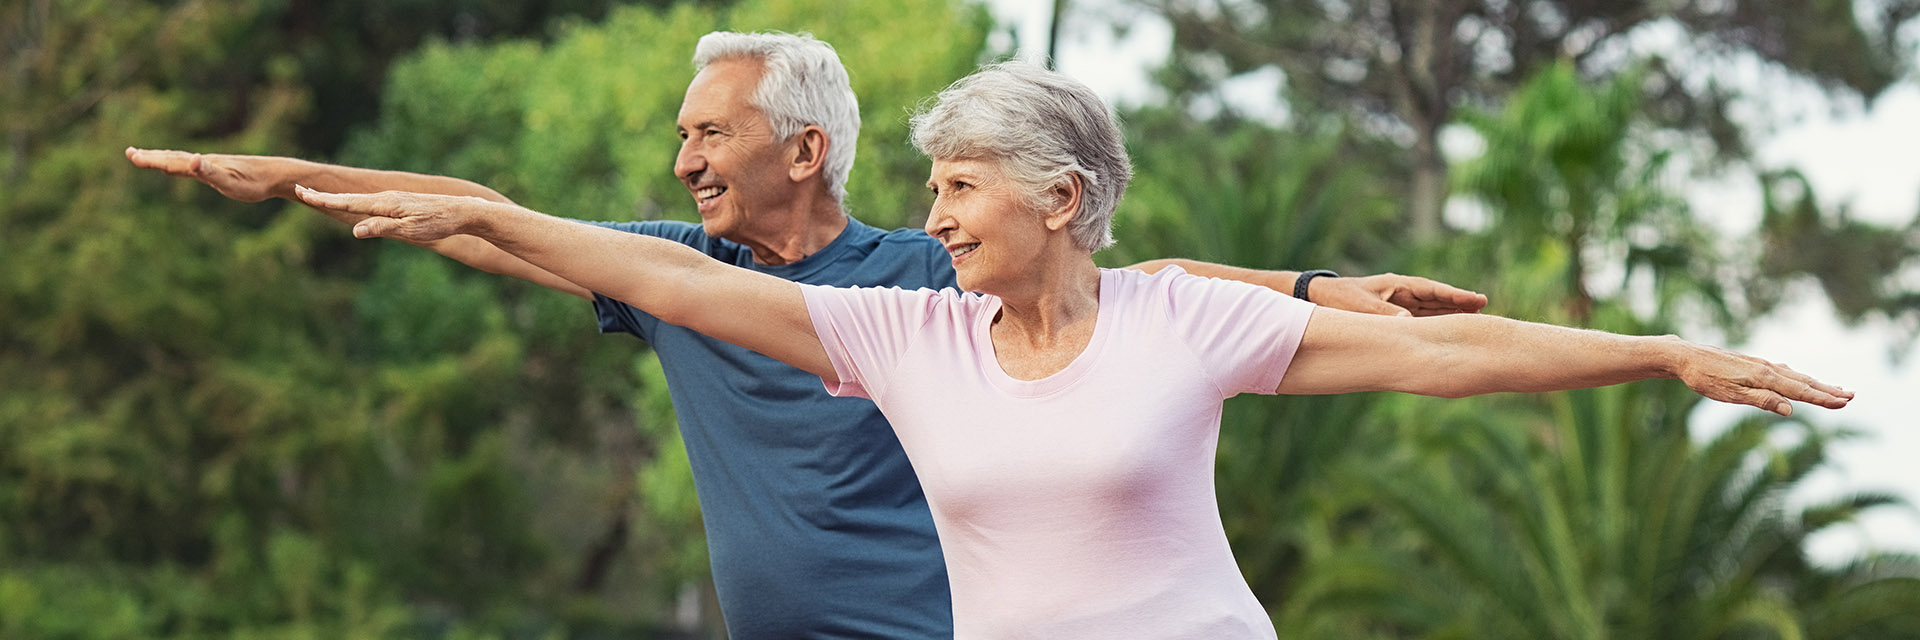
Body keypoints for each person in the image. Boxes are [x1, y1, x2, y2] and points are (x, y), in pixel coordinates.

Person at [287, 60, 1852, 638]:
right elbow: (671, 281)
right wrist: (478, 211)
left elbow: (1452, 360)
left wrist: (1658, 354)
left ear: (1060, 198)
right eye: (930, 188)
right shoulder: (907, 339)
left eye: (959, 187)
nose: (936, 215)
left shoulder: (1184, 315)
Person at [130, 33, 1490, 637]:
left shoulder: (923, 279)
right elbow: (496, 217)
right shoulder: (679, 278)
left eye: (705, 133)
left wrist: (1312, 292)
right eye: (678, 137)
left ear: (806, 147)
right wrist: (292, 175)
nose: (680, 163)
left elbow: (1146, 281)